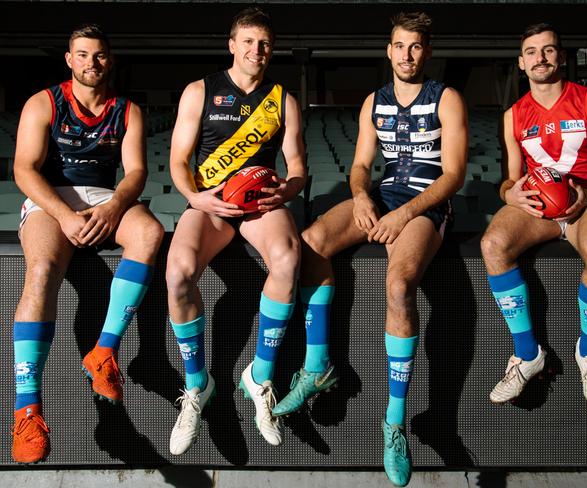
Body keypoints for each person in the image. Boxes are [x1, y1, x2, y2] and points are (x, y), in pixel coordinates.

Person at [271, 12, 467, 487]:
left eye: (416, 46)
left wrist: (405, 215)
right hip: (381, 196)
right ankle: (317, 367)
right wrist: (361, 195)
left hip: (425, 206)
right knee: (311, 243)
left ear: (427, 51)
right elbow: (361, 165)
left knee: (398, 285)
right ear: (388, 50)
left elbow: (453, 175)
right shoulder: (373, 102)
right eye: (399, 46)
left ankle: (394, 423)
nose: (407, 55)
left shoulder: (447, 98)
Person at [11, 24, 164, 463]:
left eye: (98, 56)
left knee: (150, 232)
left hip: (101, 195)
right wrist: (63, 216)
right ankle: (27, 412)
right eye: (82, 55)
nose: (91, 63)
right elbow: (24, 169)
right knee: (40, 272)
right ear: (69, 59)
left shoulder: (128, 110)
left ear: (109, 60)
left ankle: (104, 354)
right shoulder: (44, 103)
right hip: (51, 196)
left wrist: (114, 208)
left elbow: (135, 173)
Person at [165, 7, 305, 454]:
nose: (256, 50)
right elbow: (177, 161)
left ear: (272, 49)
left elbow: (299, 169)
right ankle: (196, 386)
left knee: (287, 257)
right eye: (248, 41)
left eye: (264, 43)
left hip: (259, 204)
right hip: (211, 203)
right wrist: (197, 196)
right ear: (232, 45)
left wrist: (286, 192)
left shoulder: (283, 99)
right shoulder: (199, 91)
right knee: (178, 273)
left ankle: (259, 377)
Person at [481, 23, 587, 413]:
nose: (540, 58)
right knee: (492, 244)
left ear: (560, 57)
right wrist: (509, 193)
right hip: (539, 206)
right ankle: (527, 354)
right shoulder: (513, 115)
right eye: (531, 52)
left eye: (548, 51)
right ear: (521, 62)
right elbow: (509, 180)